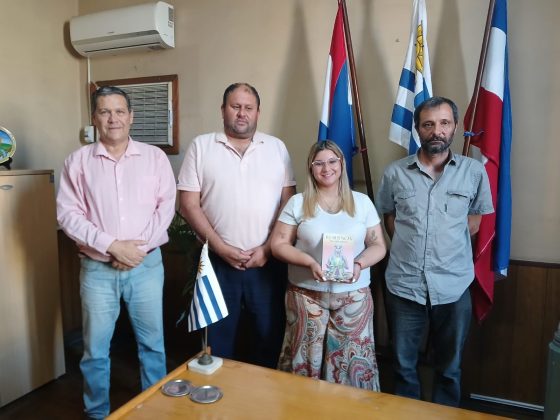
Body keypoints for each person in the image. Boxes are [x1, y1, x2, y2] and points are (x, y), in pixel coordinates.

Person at [57, 86, 176, 419]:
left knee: (153, 346)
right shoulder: (77, 162)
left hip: (146, 266)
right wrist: (112, 246)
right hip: (98, 271)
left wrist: (136, 250)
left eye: (120, 111)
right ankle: (97, 412)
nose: (113, 119)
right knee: (95, 351)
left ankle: (156, 409)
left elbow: (166, 207)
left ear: (131, 116)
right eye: (105, 112)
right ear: (95, 118)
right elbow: (68, 215)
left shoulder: (155, 158)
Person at [376, 96, 494, 406]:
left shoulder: (473, 173)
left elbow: (474, 222)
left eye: (444, 123)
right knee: (403, 367)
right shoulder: (394, 173)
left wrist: (443, 244)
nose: (436, 131)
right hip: (404, 287)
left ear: (455, 127)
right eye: (428, 124)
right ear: (417, 129)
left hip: (453, 288)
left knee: (450, 370)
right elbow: (389, 219)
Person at [178, 82, 296, 368]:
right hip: (217, 263)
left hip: (267, 263)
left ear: (257, 112)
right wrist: (220, 248)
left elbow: (288, 205)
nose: (241, 113)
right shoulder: (202, 146)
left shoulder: (277, 148)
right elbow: (188, 204)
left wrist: (268, 249)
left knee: (268, 338)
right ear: (223, 110)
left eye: (248, 108)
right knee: (217, 344)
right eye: (235, 106)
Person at [270, 140, 386, 390]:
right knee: (303, 367)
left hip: (353, 298)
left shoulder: (362, 202)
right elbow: (278, 244)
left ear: (342, 164)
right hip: (306, 296)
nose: (326, 168)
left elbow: (378, 245)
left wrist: (359, 263)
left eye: (332, 161)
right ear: (311, 168)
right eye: (319, 163)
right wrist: (308, 261)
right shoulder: (298, 203)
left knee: (352, 370)